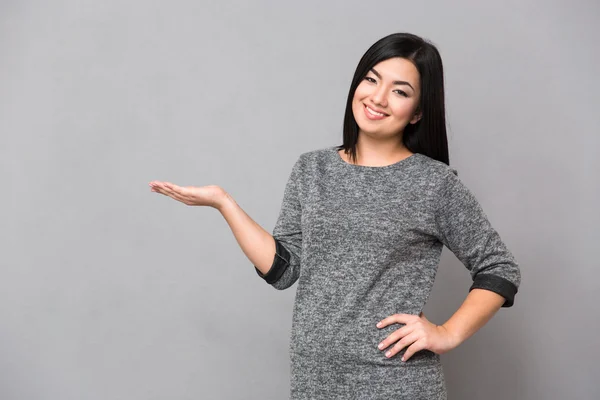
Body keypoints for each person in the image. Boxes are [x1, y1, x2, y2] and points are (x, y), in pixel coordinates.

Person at [149, 32, 521, 400]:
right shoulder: (312, 169)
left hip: (395, 383)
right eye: (371, 79)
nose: (377, 97)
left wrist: (447, 332)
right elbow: (284, 270)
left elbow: (499, 267)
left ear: (418, 112)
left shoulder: (432, 182)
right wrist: (223, 203)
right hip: (315, 382)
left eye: (400, 90)